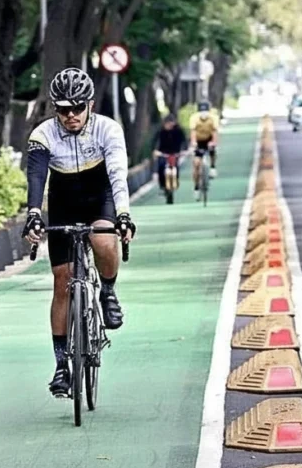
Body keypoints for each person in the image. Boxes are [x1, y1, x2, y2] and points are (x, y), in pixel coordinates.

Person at [22, 68, 135, 398]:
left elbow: (117, 173)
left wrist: (124, 214)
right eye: (62, 109)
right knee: (62, 281)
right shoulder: (44, 134)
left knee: (103, 238)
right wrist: (32, 215)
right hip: (63, 200)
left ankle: (109, 292)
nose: (70, 115)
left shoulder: (107, 130)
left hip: (100, 196)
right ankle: (61, 365)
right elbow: (36, 178)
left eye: (77, 108)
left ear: (90, 105)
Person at [152, 113, 188, 196]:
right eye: (167, 124)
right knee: (161, 167)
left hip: (175, 153)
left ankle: (176, 181)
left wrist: (184, 150)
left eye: (171, 124)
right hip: (163, 153)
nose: (169, 126)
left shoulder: (178, 131)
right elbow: (154, 142)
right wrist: (155, 151)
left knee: (176, 167)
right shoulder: (160, 131)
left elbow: (184, 141)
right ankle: (162, 186)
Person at [190, 100, 219, 199]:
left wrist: (214, 142)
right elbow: (193, 132)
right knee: (196, 164)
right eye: (202, 111)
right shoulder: (194, 118)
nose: (204, 113)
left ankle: (212, 167)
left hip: (209, 138)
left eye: (205, 111)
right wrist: (193, 143)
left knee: (213, 151)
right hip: (198, 140)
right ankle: (196, 187)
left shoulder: (213, 118)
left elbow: (215, 132)